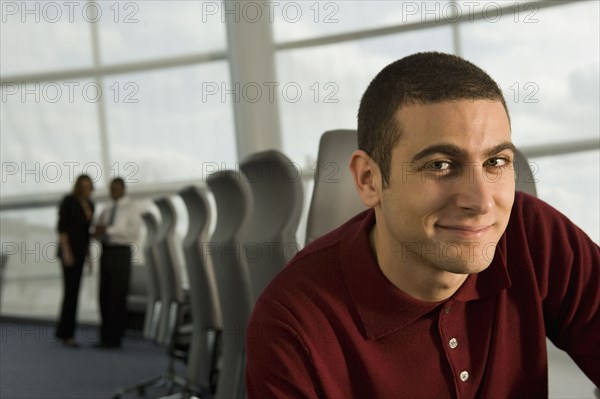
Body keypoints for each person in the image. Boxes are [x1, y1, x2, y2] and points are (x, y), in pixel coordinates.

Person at [245, 52, 600, 398]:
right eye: (441, 165)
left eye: (496, 161)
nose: (481, 202)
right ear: (369, 179)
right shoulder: (291, 324)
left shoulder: (532, 231)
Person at [94, 177, 141, 348]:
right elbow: (99, 229)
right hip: (106, 251)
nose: (113, 192)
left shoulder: (132, 208)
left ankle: (115, 338)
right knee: (104, 294)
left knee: (117, 294)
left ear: (123, 189)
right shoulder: (106, 210)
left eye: (116, 189)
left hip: (121, 253)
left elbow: (132, 234)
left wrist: (108, 229)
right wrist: (99, 232)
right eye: (111, 189)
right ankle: (104, 336)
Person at [56, 174, 95, 348]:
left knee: (74, 292)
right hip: (68, 252)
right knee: (70, 292)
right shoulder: (69, 201)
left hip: (81, 252)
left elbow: (87, 234)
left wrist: (89, 257)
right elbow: (62, 228)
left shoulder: (91, 204)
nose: (86, 189)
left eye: (89, 186)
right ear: (78, 186)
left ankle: (62, 331)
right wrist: (67, 252)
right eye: (83, 186)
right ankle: (68, 335)